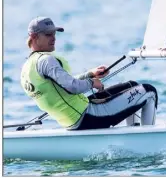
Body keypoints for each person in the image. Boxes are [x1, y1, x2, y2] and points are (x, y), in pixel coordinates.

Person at [20, 16, 158, 130]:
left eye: (54, 33)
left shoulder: (27, 67)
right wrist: (92, 82)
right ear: (34, 37)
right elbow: (72, 87)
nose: (54, 38)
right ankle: (147, 138)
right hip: (88, 117)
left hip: (75, 117)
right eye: (48, 34)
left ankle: (133, 132)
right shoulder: (46, 60)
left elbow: (61, 85)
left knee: (132, 86)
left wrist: (90, 74)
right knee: (149, 91)